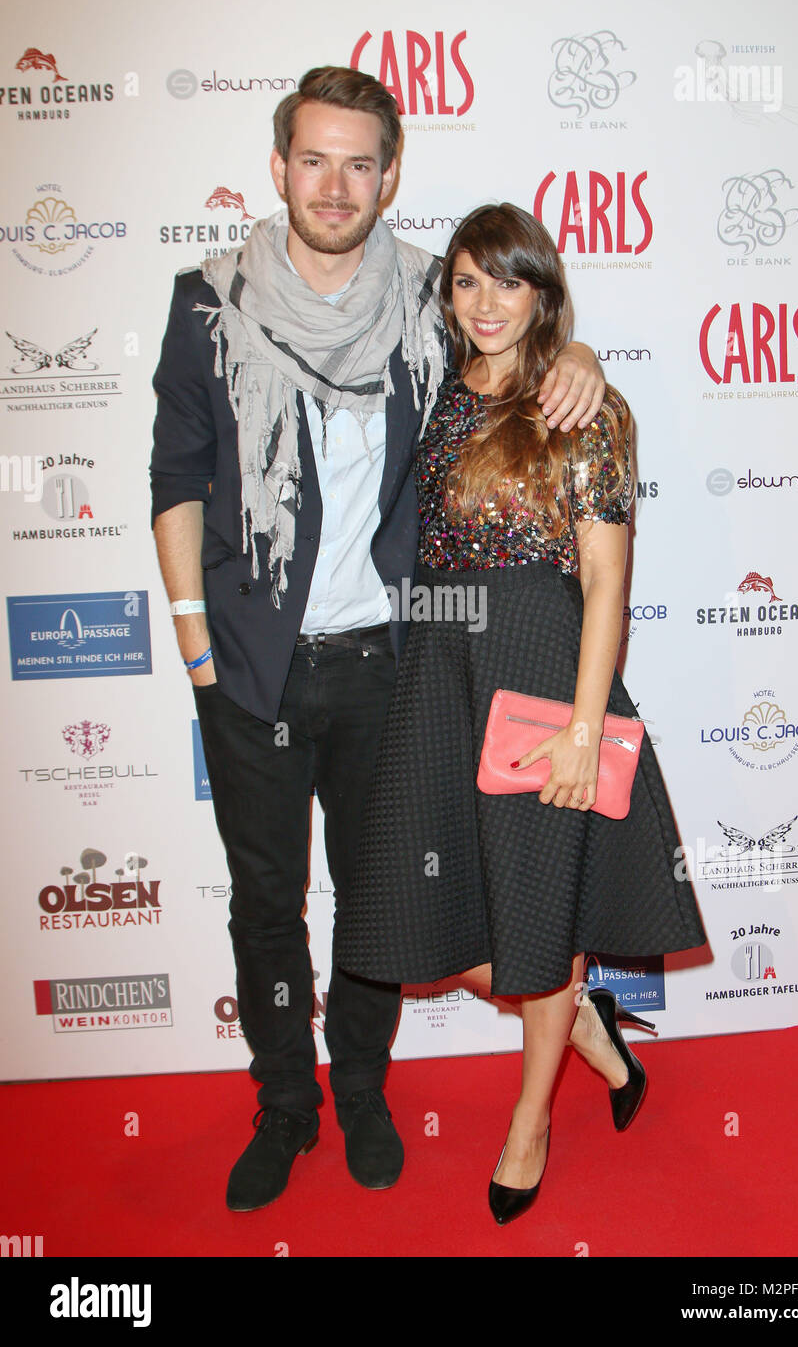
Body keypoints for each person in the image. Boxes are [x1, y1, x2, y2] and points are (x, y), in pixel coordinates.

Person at [149, 67, 606, 1213]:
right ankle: (282, 1106)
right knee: (266, 907)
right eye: (315, 159)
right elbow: (174, 483)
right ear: (279, 167)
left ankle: (358, 1093)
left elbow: (514, 348)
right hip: (251, 671)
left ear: (389, 173)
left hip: (390, 669)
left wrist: (579, 360)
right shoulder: (205, 303)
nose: (336, 183)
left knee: (374, 907)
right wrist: (199, 652)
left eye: (361, 162)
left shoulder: (425, 303)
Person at [334, 203, 706, 1225]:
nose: (485, 302)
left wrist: (584, 729)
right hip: (440, 677)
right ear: (444, 293)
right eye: (465, 280)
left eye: (508, 281)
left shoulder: (584, 404)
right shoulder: (438, 393)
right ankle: (588, 1028)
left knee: (540, 915)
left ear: (542, 291)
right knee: (409, 916)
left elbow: (604, 582)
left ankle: (529, 1122)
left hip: (544, 668)